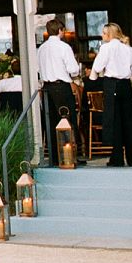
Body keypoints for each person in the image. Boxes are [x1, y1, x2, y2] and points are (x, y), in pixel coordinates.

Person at [89, 22, 132, 167]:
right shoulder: (128, 49)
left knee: (114, 120)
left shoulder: (106, 48)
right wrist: (126, 72)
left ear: (109, 34)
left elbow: (98, 66)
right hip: (125, 85)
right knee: (129, 120)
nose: (102, 35)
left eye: (104, 33)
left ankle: (117, 158)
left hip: (112, 84)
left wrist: (93, 78)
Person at [36, 20, 81, 164]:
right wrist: (74, 74)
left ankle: (55, 157)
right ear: (60, 30)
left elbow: (38, 69)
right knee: (68, 121)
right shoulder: (64, 47)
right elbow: (73, 69)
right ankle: (68, 156)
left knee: (51, 122)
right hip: (61, 87)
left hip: (47, 88)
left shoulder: (41, 49)